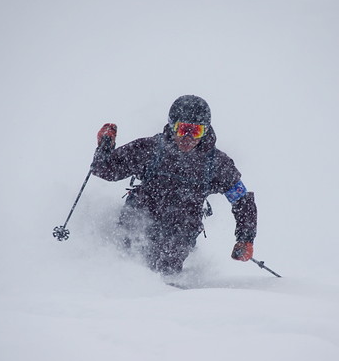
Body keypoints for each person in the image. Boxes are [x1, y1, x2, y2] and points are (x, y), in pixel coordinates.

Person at [91, 95, 258, 276]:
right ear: (172, 126)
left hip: (180, 232)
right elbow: (105, 169)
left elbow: (242, 200)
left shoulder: (217, 164)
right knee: (122, 268)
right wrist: (105, 146)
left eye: (196, 131)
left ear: (205, 131)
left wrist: (245, 239)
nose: (188, 137)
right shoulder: (150, 149)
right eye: (183, 129)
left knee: (163, 274)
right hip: (138, 221)